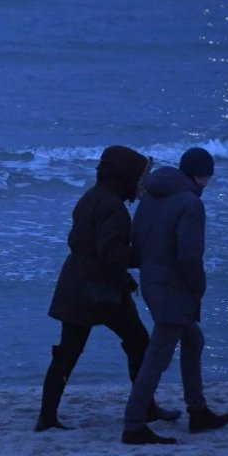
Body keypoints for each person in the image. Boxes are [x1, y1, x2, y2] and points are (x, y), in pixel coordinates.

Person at [35, 145, 180, 432]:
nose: (140, 185)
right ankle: (145, 406)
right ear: (122, 177)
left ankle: (47, 416)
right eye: (137, 177)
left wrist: (124, 277)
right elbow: (110, 254)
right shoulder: (113, 208)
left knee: (68, 352)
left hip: (79, 285)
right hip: (98, 292)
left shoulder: (92, 197)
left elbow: (89, 246)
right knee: (138, 344)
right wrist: (147, 256)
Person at [121, 147, 228, 444]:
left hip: (152, 283)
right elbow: (190, 257)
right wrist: (198, 287)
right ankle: (133, 424)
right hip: (174, 288)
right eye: (207, 176)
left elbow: (136, 239)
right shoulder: (190, 204)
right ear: (200, 175)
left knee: (193, 340)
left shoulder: (151, 196)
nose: (208, 182)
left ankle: (198, 411)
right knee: (157, 356)